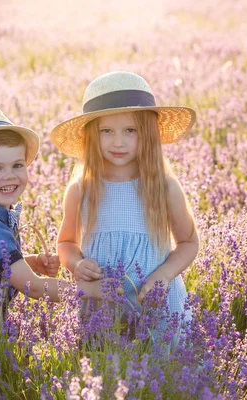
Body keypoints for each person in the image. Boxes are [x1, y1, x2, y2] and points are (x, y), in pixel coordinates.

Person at [0, 102, 108, 338]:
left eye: (17, 165)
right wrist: (94, 290)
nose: (9, 175)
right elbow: (33, 286)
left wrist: (30, 262)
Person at [52, 71, 199, 342]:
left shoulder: (163, 186)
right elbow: (66, 242)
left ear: (148, 134)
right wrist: (77, 263)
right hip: (103, 307)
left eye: (130, 130)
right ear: (90, 137)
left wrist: (163, 277)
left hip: (159, 305)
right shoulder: (81, 189)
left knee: (164, 372)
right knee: (108, 374)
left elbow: (189, 242)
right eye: (106, 131)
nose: (117, 141)